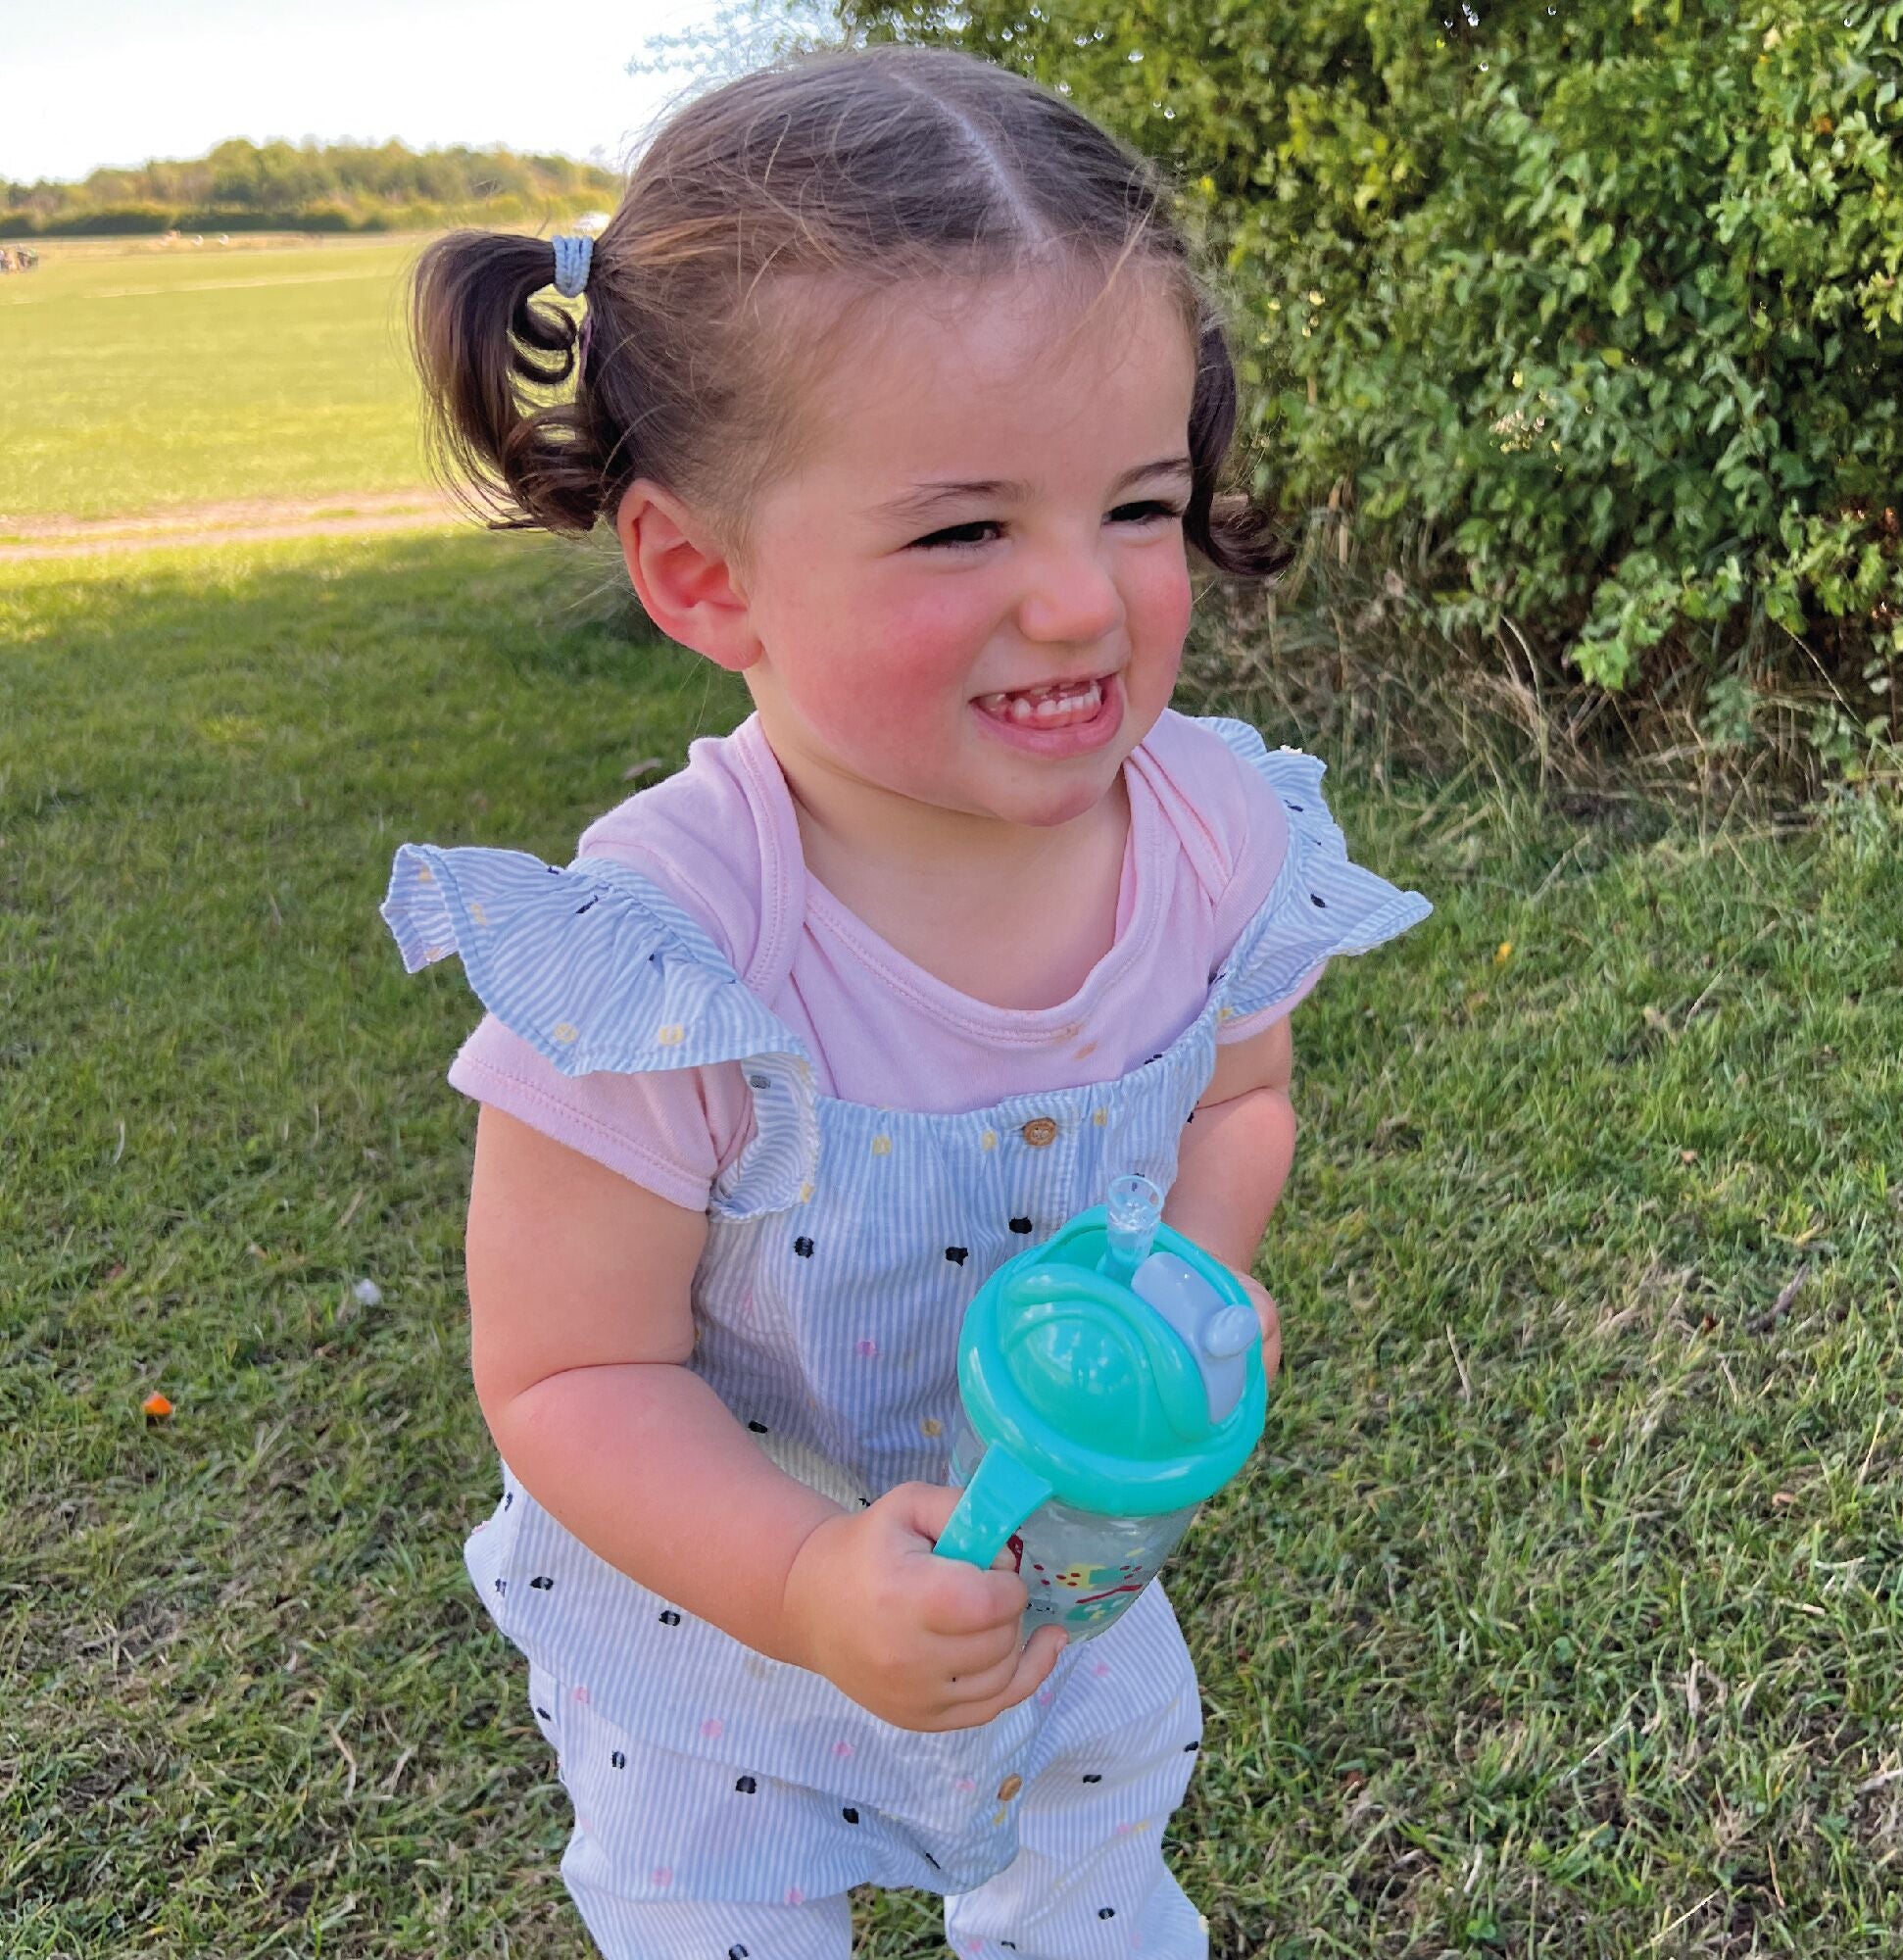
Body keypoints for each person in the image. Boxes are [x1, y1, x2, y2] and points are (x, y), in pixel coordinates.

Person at [381, 41, 1430, 1960]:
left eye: (1137, 505)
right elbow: (566, 1373)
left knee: (1087, 1857)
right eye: (965, 529)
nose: (1082, 601)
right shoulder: (670, 956)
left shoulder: (1211, 834)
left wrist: (1197, 1274)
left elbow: (1238, 1096)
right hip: (722, 1629)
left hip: (1054, 1588)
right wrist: (804, 1587)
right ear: (703, 574)